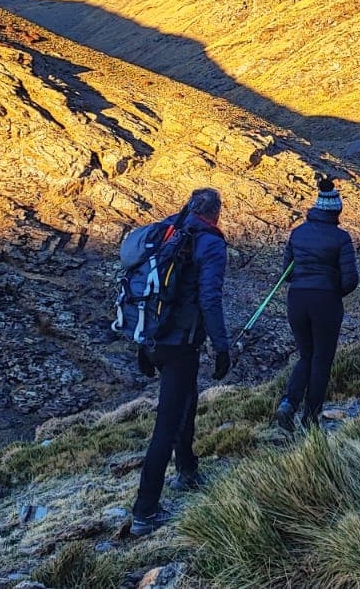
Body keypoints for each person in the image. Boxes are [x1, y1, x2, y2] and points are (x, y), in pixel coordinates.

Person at [129, 188, 232, 538]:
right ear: (215, 213)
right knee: (168, 423)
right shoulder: (210, 243)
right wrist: (222, 346)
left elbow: (147, 291)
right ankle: (145, 511)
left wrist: (142, 345)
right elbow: (210, 297)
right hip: (180, 343)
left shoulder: (166, 232)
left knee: (186, 401)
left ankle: (187, 470)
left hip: (153, 337)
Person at [275, 177, 358, 432]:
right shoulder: (341, 238)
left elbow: (286, 273)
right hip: (326, 302)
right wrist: (334, 292)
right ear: (336, 211)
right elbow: (351, 279)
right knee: (322, 359)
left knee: (306, 355)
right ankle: (311, 417)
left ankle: (289, 402)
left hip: (297, 299)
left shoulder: (298, 233)